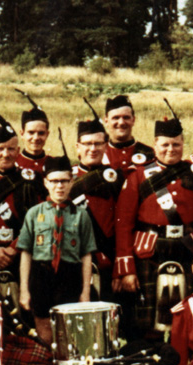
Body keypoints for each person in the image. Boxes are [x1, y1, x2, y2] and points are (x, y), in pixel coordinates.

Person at [114, 101, 193, 343]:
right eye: (165, 145)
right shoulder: (138, 175)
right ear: (155, 145)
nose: (170, 149)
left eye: (176, 145)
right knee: (149, 323)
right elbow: (124, 225)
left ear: (183, 145)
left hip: (188, 252)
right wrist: (126, 270)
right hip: (149, 253)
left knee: (189, 316)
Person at [0, 105, 48, 365]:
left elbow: (39, 221)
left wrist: (15, 248)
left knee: (25, 315)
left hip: (22, 256)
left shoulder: (30, 181)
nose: (6, 154)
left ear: (18, 151)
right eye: (0, 149)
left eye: (11, 149)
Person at [18, 147, 96, 348]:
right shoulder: (34, 214)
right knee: (43, 328)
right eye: (54, 181)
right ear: (45, 182)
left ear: (72, 182)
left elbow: (87, 255)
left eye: (63, 181)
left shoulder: (81, 215)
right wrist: (24, 290)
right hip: (41, 274)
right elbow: (26, 253)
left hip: (69, 275)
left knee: (68, 328)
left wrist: (85, 292)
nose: (59, 186)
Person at [70, 99, 126, 303]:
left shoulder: (117, 178)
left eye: (97, 144)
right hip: (74, 260)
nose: (92, 149)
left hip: (109, 261)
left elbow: (124, 225)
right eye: (87, 144)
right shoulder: (65, 179)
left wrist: (120, 267)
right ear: (78, 147)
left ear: (105, 146)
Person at [103, 94, 153, 170]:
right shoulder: (99, 154)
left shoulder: (150, 153)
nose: (121, 122)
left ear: (133, 120)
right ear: (106, 121)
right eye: (116, 118)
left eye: (126, 117)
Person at [14, 89, 52, 175]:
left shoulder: (55, 164)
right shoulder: (13, 164)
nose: (36, 138)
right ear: (22, 134)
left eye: (41, 133)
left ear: (47, 134)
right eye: (31, 132)